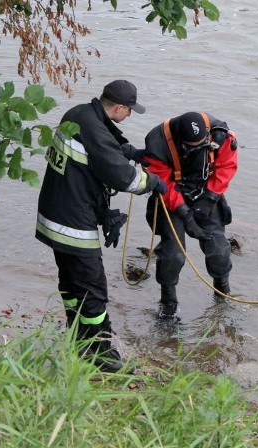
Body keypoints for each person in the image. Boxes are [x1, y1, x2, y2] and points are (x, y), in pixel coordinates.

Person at [36, 79, 166, 373]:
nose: (129, 115)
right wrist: (155, 183)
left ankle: (77, 335)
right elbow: (125, 179)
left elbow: (98, 146)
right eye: (129, 110)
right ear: (118, 107)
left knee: (70, 283)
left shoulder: (78, 113)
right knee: (93, 289)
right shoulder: (95, 129)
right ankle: (100, 355)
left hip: (54, 213)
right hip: (72, 225)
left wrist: (128, 150)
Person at [142, 111, 239, 319]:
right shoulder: (157, 142)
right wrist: (185, 214)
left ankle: (222, 294)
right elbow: (161, 182)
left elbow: (226, 166)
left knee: (219, 251)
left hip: (205, 192)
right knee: (172, 254)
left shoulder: (220, 133)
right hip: (171, 196)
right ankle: (168, 303)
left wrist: (210, 198)